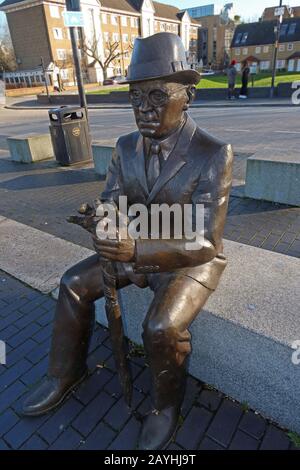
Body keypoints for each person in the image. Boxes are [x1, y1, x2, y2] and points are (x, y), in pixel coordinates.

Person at [22, 33, 233, 450]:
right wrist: (101, 220)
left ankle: (166, 407)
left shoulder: (213, 153)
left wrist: (136, 250)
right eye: (136, 98)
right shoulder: (124, 146)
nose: (144, 109)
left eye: (157, 96)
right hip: (131, 248)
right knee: (72, 284)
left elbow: (207, 240)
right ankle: (64, 373)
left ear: (188, 95)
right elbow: (113, 202)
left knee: (160, 325)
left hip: (187, 260)